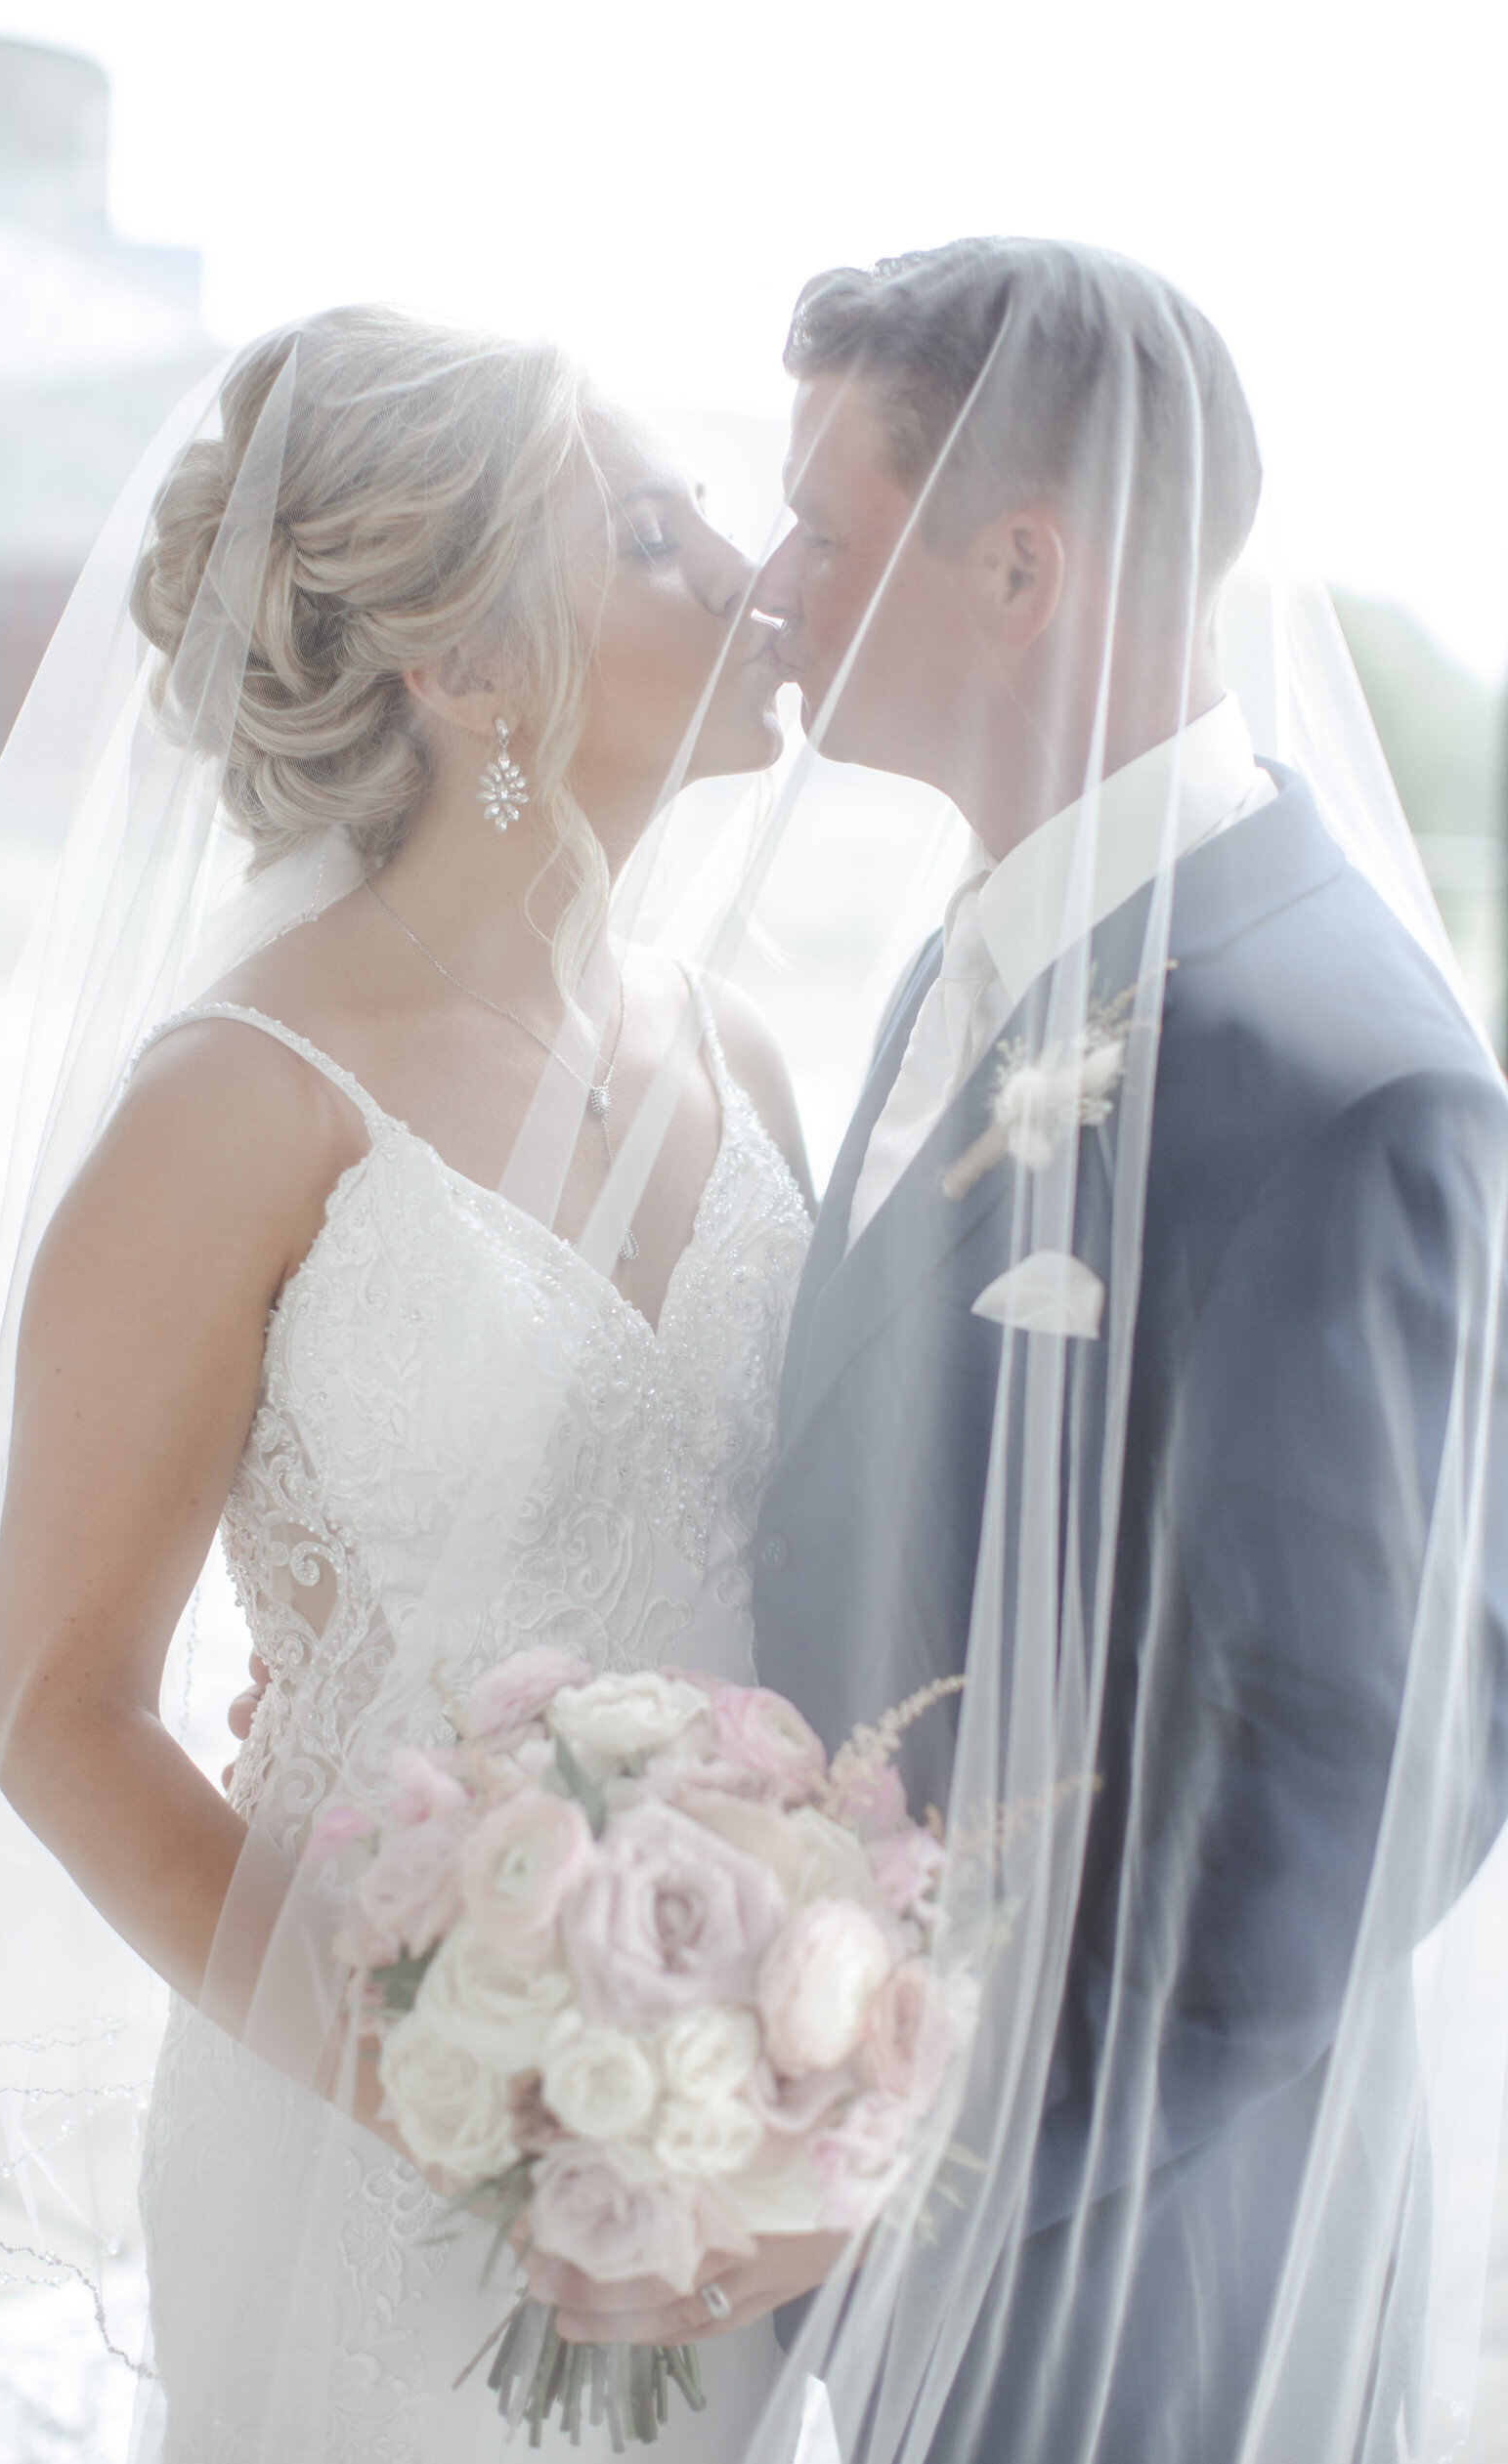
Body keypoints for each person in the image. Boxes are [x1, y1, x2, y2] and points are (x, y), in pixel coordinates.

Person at [531, 241, 1508, 2463]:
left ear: (1019, 568)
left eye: (819, 521)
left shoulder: (1345, 1087)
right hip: (890, 2265)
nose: (768, 581)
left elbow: (1348, 1807)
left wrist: (895, 2173)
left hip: (1135, 2302)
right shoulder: (974, 941)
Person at [0, 306, 819, 2461]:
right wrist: (472, 2110)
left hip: (725, 2121)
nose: (742, 566)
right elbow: (61, 1707)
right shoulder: (241, 1103)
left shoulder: (741, 1055)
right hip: (375, 2150)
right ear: (461, 671)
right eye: (648, 530)